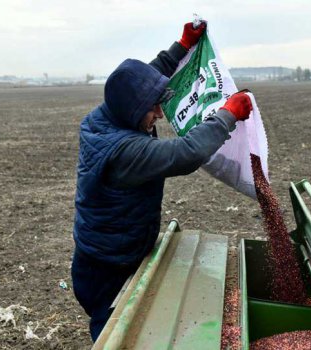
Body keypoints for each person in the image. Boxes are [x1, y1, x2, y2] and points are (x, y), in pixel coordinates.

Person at [71, 21, 253, 341]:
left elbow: (144, 81)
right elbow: (186, 153)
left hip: (114, 252)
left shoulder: (113, 112)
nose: (159, 111)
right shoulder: (124, 151)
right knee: (115, 334)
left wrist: (182, 45)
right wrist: (228, 114)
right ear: (133, 110)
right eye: (152, 106)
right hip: (106, 268)